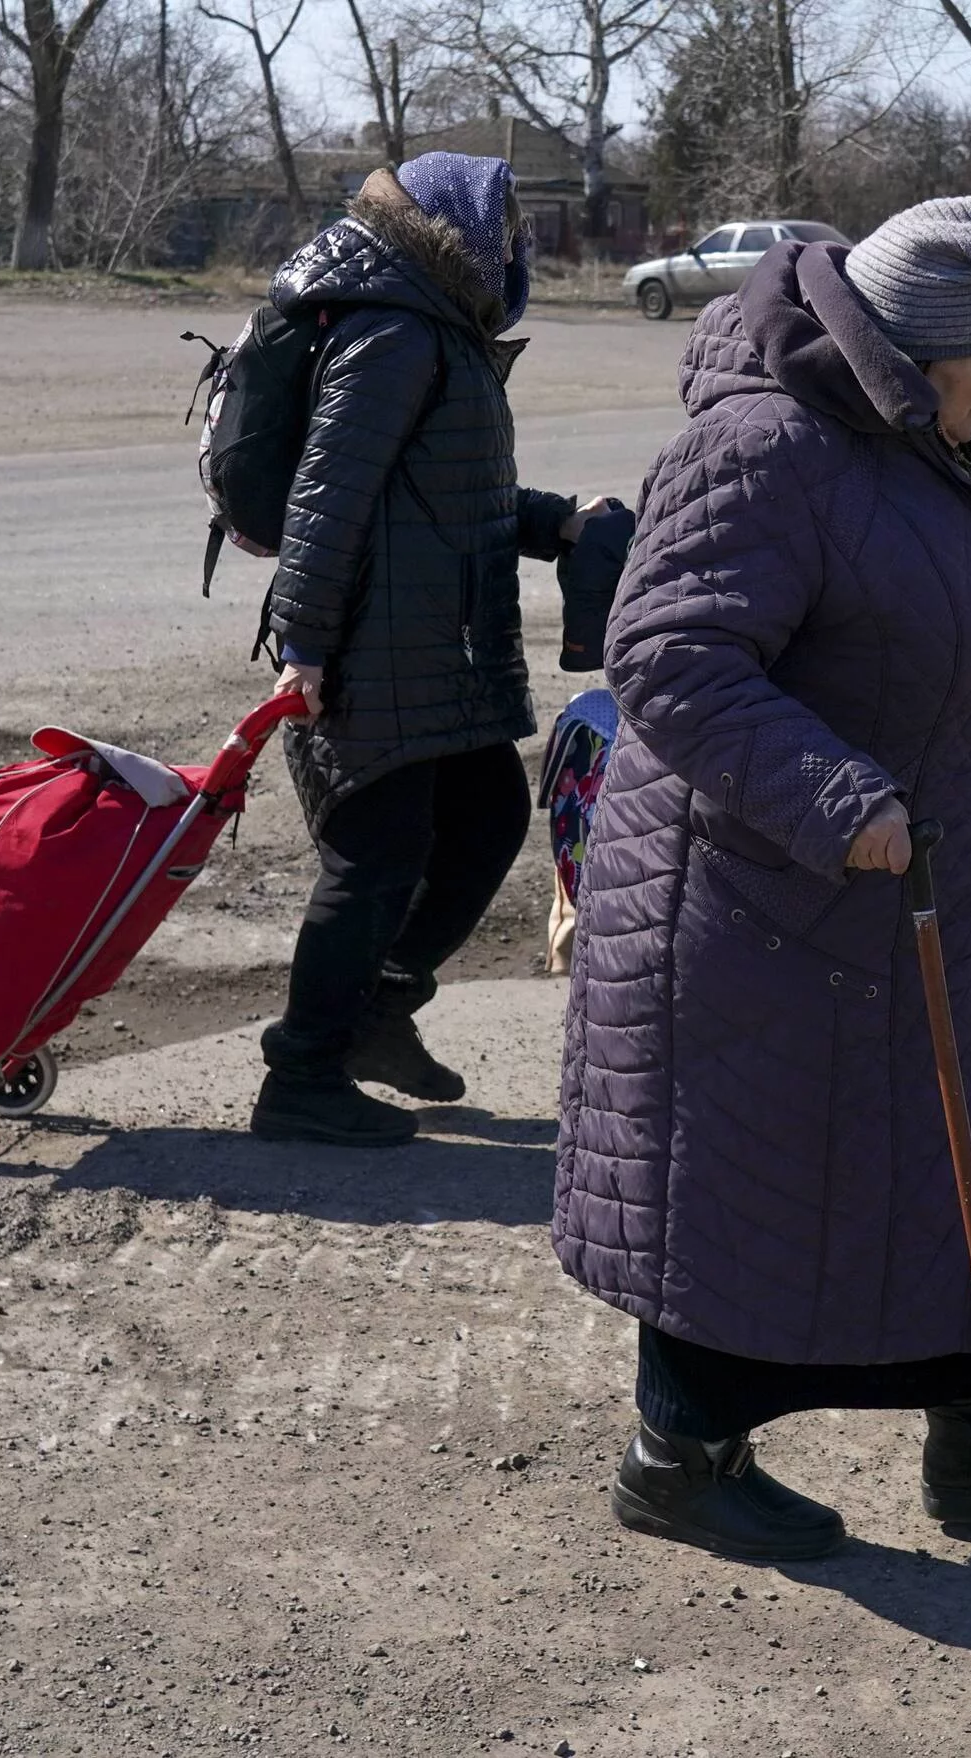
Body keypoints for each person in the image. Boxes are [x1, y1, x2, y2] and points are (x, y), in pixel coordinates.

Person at [555, 196, 971, 1560]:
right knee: (745, 1186)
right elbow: (668, 657)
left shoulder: (918, 437)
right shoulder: (765, 445)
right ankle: (678, 1461)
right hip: (769, 898)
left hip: (923, 874)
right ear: (924, 342)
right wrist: (839, 794)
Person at [251, 152, 605, 1148]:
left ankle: (377, 1014)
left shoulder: (434, 327)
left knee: (488, 817)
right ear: (464, 236)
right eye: (512, 231)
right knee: (376, 861)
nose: (521, 250)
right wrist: (305, 647)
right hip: (371, 650)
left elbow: (449, 490)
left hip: (434, 651)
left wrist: (560, 523)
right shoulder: (395, 331)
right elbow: (328, 500)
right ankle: (301, 1076)